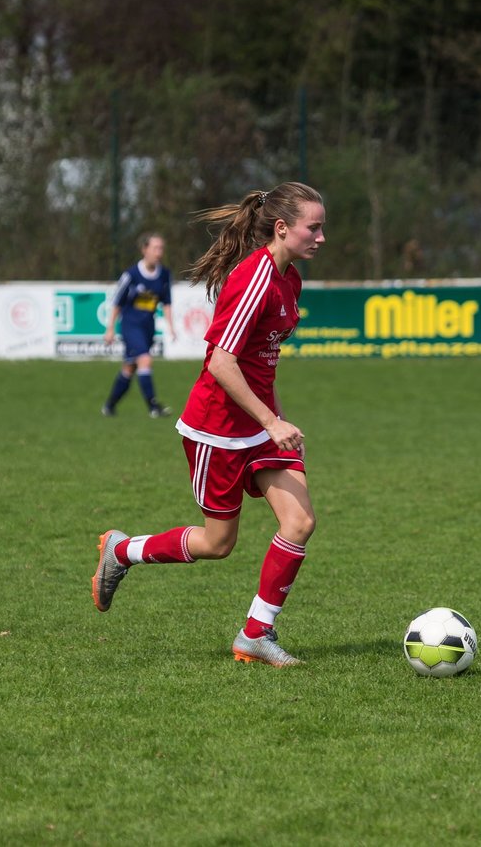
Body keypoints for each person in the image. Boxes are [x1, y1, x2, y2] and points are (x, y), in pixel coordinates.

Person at [92, 182, 326, 667]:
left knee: (300, 521)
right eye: (314, 227)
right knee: (218, 543)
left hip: (260, 428)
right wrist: (271, 420)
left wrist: (277, 422)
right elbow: (221, 362)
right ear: (282, 228)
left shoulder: (290, 280)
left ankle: (256, 634)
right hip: (217, 430)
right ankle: (123, 550)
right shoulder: (255, 279)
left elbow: (264, 363)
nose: (321, 237)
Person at [101, 232, 175, 418]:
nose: (159, 252)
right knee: (145, 360)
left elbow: (166, 302)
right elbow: (117, 302)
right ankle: (153, 406)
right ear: (144, 249)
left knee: (130, 367)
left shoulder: (165, 274)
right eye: (155, 248)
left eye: (161, 248)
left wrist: (171, 326)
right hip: (131, 326)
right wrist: (110, 328)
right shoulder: (131, 275)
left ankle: (109, 405)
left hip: (147, 327)